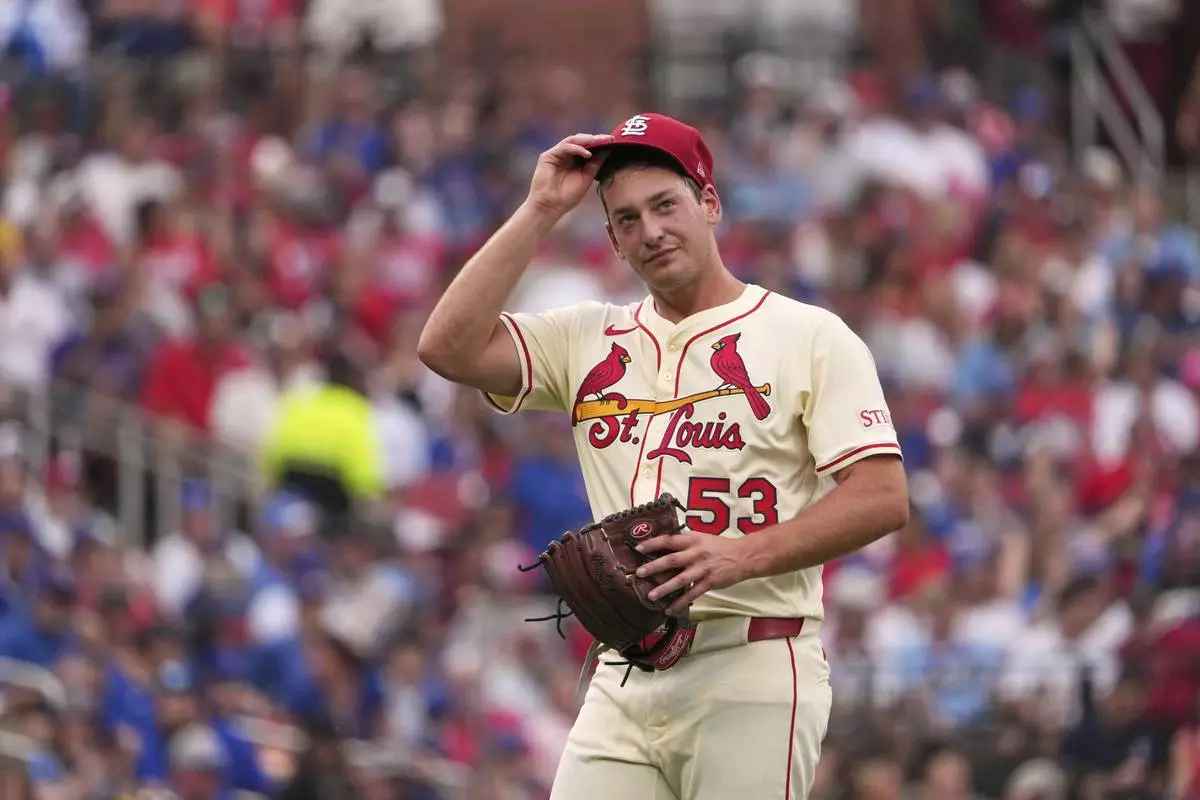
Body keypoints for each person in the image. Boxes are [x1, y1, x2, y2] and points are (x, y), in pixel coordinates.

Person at [418, 112, 910, 799]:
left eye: (665, 205)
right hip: (625, 672)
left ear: (709, 204)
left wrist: (739, 555)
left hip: (753, 663)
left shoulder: (809, 336)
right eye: (626, 219)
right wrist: (540, 210)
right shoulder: (588, 338)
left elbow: (883, 496)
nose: (649, 231)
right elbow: (446, 347)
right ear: (614, 242)